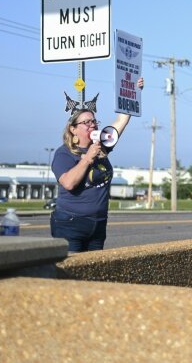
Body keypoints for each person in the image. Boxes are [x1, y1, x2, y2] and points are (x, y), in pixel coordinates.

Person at [50, 78, 143, 253]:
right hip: (71, 223)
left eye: (94, 121)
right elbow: (68, 183)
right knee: (71, 269)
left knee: (94, 268)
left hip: (98, 224)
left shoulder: (101, 146)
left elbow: (121, 120)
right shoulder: (64, 154)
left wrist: (134, 92)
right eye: (86, 122)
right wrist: (87, 158)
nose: (92, 125)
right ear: (73, 129)